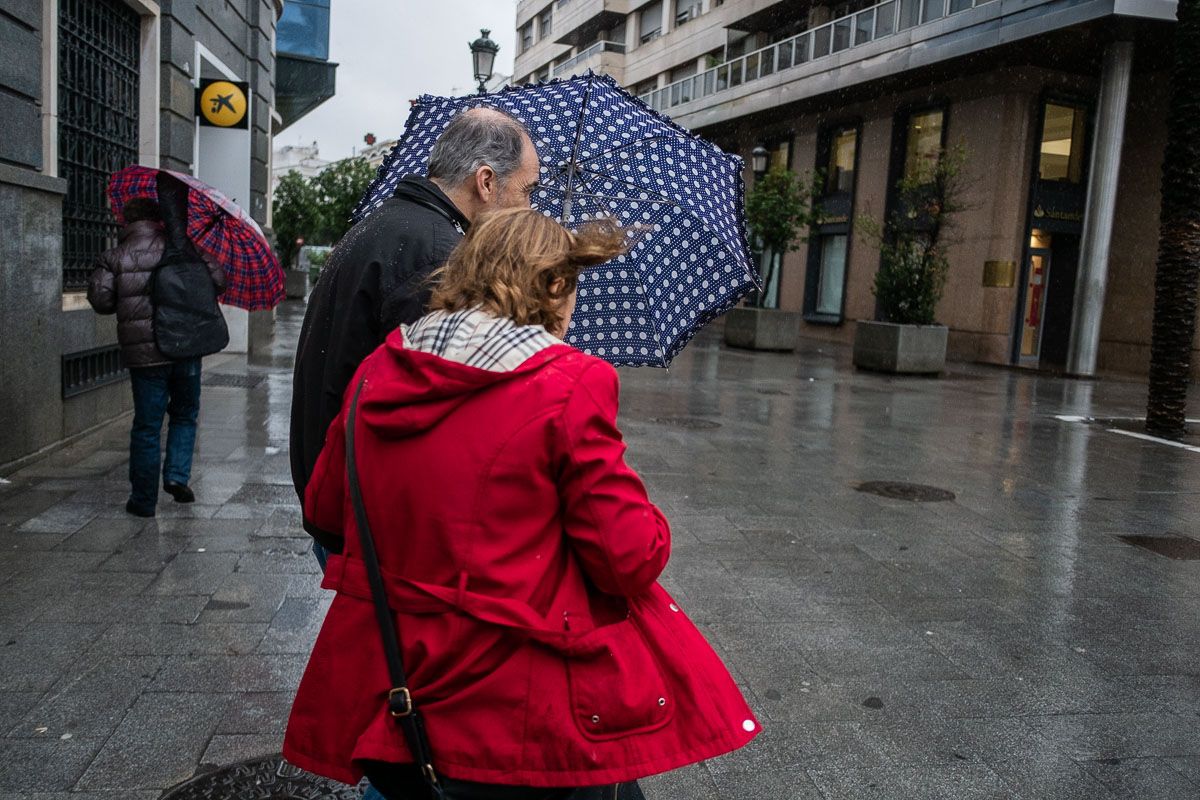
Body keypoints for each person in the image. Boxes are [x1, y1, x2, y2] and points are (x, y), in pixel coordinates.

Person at [283, 209, 759, 799]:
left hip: (393, 695)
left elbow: (328, 509)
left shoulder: (379, 369)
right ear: (554, 286)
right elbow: (628, 559)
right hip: (514, 710)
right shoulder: (568, 383)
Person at [290, 107, 542, 569]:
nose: (529, 208)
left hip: (339, 494)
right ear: (486, 182)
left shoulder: (391, 222)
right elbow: (437, 415)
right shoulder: (438, 256)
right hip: (373, 522)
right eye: (527, 191)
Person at [87, 197, 226, 518]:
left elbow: (102, 300)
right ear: (160, 219)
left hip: (145, 353)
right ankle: (177, 475)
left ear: (128, 223)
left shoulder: (115, 255)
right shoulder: (183, 247)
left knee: (147, 426)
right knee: (184, 414)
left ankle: (143, 500)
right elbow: (219, 282)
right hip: (185, 346)